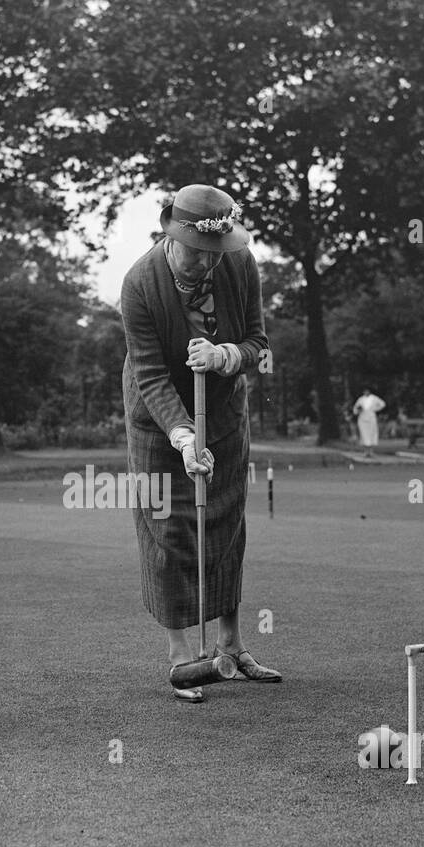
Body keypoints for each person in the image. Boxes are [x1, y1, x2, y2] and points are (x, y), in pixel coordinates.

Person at [120, 184, 282, 702]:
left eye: (216, 254)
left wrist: (227, 355)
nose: (207, 264)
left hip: (225, 408)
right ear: (171, 234)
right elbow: (148, 372)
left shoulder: (238, 264)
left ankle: (231, 648)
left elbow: (258, 341)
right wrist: (184, 436)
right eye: (197, 253)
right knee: (167, 529)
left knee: (225, 522)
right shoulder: (140, 283)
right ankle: (182, 658)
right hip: (157, 415)